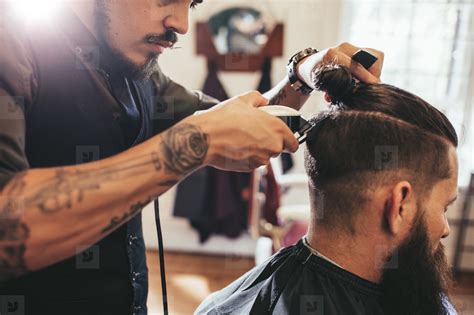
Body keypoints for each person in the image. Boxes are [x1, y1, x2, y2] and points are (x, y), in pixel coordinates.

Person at [0, 1, 384, 314]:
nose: (182, 23)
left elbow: (243, 122)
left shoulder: (137, 76)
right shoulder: (14, 44)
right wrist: (194, 142)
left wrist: (303, 72)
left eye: (193, 2)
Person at [195, 64, 459, 315]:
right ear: (399, 204)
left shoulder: (221, 306)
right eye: (444, 207)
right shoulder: (422, 294)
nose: (445, 228)